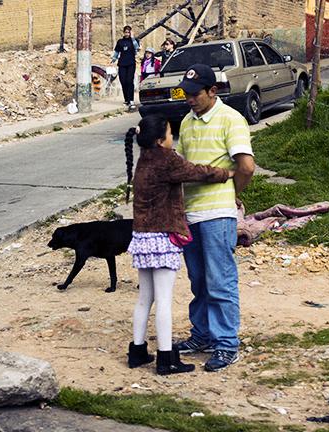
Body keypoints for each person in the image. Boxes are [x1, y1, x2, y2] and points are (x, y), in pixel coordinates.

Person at [124, 114, 235, 375]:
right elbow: (197, 172)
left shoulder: (144, 158)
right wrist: (226, 173)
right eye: (172, 134)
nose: (174, 139)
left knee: (145, 298)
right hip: (162, 237)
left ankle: (137, 351)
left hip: (142, 237)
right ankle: (166, 359)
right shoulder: (167, 159)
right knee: (164, 300)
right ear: (161, 141)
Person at [172, 64, 255, 372]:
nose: (189, 98)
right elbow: (182, 166)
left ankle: (226, 345)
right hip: (190, 214)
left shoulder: (230, 119)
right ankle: (203, 335)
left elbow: (246, 167)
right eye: (186, 93)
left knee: (220, 281)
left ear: (212, 91)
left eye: (195, 94)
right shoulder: (186, 122)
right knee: (198, 280)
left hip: (217, 214)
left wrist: (231, 195)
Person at [111, 25, 139, 109]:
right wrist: (113, 61)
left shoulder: (133, 40)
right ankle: (126, 99)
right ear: (123, 32)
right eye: (126, 32)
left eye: (128, 32)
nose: (127, 34)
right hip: (122, 63)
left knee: (129, 81)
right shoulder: (120, 41)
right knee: (123, 81)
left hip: (131, 63)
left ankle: (131, 99)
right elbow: (117, 52)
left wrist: (132, 37)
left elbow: (136, 47)